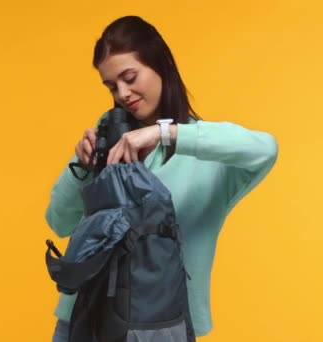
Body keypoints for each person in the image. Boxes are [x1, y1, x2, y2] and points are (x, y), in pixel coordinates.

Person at [45, 15, 278, 341]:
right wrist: (84, 170)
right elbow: (58, 222)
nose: (122, 93)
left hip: (163, 325)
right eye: (112, 86)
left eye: (129, 77)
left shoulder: (208, 157)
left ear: (162, 64)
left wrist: (166, 134)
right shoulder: (107, 141)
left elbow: (265, 149)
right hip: (84, 320)